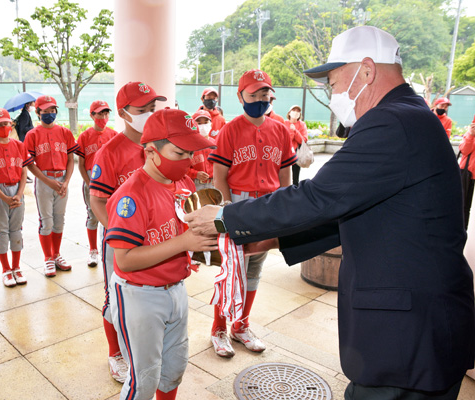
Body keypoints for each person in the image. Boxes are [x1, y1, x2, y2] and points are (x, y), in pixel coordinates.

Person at [186, 26, 474, 400]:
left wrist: (226, 218)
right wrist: (271, 239)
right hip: (418, 329)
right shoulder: (409, 116)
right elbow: (359, 211)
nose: (332, 94)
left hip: (408, 337)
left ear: (366, 71)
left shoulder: (392, 122)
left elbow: (319, 196)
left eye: (333, 83)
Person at [107, 108, 216, 400]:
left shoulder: (184, 184)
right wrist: (184, 242)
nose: (188, 160)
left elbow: (185, 232)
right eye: (179, 153)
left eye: (191, 153)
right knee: (143, 378)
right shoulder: (131, 195)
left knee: (173, 369)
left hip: (175, 288)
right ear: (151, 152)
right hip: (139, 295)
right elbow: (125, 259)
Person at [206, 69, 296, 358]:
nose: (259, 98)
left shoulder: (280, 130)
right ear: (240, 96)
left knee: (254, 268)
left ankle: (241, 326)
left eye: (264, 93)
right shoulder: (230, 129)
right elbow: (219, 176)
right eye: (253, 94)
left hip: (268, 204)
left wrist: (285, 208)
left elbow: (285, 176)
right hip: (239, 204)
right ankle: (219, 329)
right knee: (232, 270)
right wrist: (227, 211)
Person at [89, 81, 166, 383]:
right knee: (116, 296)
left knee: (149, 295)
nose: (149, 114)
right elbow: (97, 200)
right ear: (123, 113)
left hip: (156, 238)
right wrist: (119, 234)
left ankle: (142, 346)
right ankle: (115, 353)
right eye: (142, 109)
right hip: (120, 241)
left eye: (152, 108)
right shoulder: (110, 152)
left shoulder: (161, 145)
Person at [0, 108, 33, 287]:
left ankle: (16, 267)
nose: (3, 127)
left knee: (16, 230)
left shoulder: (19, 145)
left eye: (6, 123)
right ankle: (6, 269)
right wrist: (3, 196)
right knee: (2, 233)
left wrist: (19, 194)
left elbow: (24, 172)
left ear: (12, 124)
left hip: (17, 189)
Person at [24, 95, 77, 278]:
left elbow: (70, 160)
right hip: (44, 180)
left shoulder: (65, 132)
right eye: (45, 111)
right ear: (38, 113)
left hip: (62, 179)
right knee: (46, 221)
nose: (49, 113)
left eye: (52, 110)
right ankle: (48, 258)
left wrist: (66, 182)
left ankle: (56, 254)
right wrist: (48, 182)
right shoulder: (32, 135)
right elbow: (30, 164)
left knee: (59, 220)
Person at [76, 100, 117, 267]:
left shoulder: (113, 135)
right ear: (92, 115)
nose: (104, 116)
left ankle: (110, 247)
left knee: (110, 215)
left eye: (106, 113)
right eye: (100, 113)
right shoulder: (84, 136)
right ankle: (93, 250)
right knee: (92, 215)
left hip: (110, 180)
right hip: (91, 178)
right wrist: (89, 183)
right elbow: (80, 164)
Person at [187, 110, 216, 191]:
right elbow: (182, 168)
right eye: (199, 123)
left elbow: (223, 165)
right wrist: (195, 174)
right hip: (195, 184)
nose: (203, 126)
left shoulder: (215, 144)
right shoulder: (188, 146)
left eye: (206, 122)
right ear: (193, 125)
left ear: (211, 124)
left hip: (214, 183)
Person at [284, 105, 308, 186]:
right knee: (284, 174)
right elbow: (284, 139)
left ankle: (295, 188)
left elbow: (303, 140)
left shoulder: (302, 124)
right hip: (285, 152)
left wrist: (295, 131)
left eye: (298, 111)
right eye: (294, 110)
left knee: (295, 176)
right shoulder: (284, 123)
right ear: (289, 113)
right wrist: (291, 133)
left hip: (297, 152)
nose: (296, 112)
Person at [459, 118, 475, 228]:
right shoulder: (469, 134)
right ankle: (462, 230)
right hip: (468, 174)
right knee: (463, 206)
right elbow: (464, 150)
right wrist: (471, 135)